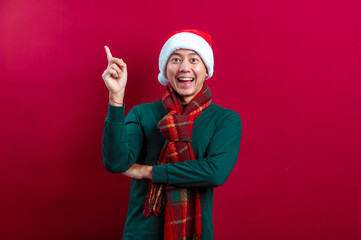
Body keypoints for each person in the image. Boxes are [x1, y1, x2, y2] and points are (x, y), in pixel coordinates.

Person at [102, 29, 242, 240]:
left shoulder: (225, 119)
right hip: (141, 233)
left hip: (195, 235)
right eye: (175, 59)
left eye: (194, 59)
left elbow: (215, 172)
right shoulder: (142, 114)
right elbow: (116, 162)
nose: (185, 68)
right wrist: (116, 97)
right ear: (165, 69)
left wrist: (149, 172)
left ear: (206, 69)